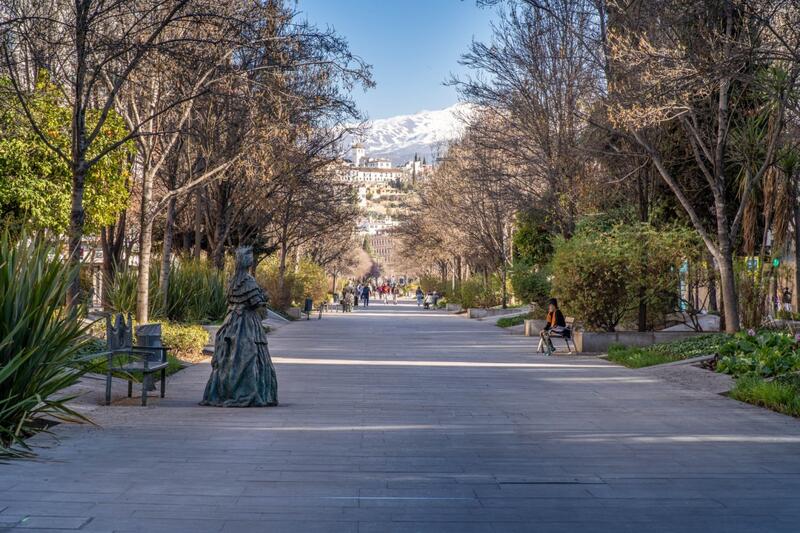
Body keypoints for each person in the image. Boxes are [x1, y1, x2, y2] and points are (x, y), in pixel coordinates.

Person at [201, 247, 278, 407]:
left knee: (229, 357)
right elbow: (256, 303)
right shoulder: (248, 281)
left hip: (231, 322)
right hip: (247, 324)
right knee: (249, 356)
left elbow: (232, 300)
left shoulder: (233, 280)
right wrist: (264, 297)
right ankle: (247, 391)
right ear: (247, 262)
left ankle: (225, 391)